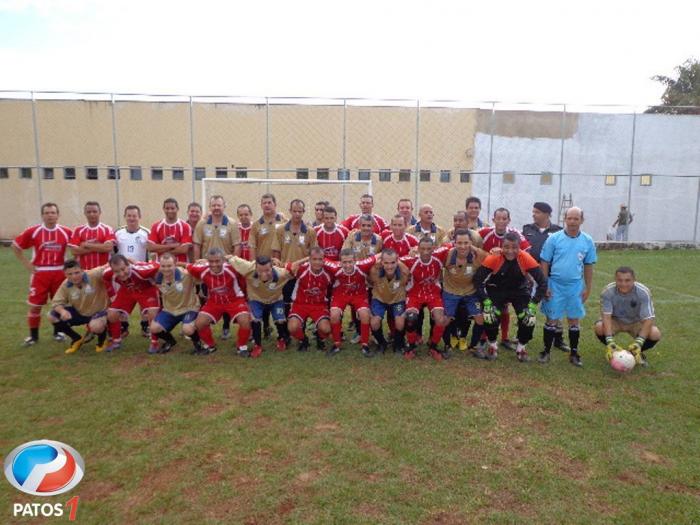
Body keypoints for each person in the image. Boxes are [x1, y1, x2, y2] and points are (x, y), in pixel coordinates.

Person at [472, 232, 548, 362]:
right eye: (506, 247)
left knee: (528, 317)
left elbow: (542, 282)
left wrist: (533, 303)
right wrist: (486, 300)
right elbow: (477, 281)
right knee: (490, 315)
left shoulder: (526, 257)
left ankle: (521, 347)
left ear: (519, 247)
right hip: (496, 289)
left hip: (519, 291)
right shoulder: (494, 258)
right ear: (502, 246)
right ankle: (492, 345)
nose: (510, 251)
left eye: (514, 247)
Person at [538, 207, 597, 367]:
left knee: (573, 319)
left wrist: (587, 287)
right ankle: (546, 351)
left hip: (575, 286)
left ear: (581, 220)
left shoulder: (587, 241)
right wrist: (545, 285)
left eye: (576, 219)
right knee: (552, 319)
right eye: (569, 218)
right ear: (565, 219)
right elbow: (545, 262)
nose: (572, 222)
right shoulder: (554, 239)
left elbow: (589, 265)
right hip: (555, 284)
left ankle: (574, 353)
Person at [12, 202, 73, 346]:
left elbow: (76, 247)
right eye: (47, 213)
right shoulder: (33, 231)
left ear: (58, 215)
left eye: (53, 212)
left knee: (58, 304)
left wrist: (71, 264)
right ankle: (33, 336)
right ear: (42, 215)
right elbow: (16, 246)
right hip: (40, 273)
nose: (50, 215)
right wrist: (27, 264)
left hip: (59, 272)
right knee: (35, 305)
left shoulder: (66, 231)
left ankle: (58, 332)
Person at [226, 254, 301, 356]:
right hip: (256, 300)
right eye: (260, 270)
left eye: (267, 270)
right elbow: (230, 258)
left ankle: (281, 339)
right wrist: (205, 260)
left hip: (275, 300)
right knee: (255, 319)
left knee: (280, 320)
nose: (263, 274)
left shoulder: (281, 273)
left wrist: (298, 264)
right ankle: (257, 345)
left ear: (272, 267)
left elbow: (294, 269)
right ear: (255, 267)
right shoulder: (247, 267)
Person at [479, 207, 531, 351]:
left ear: (509, 220)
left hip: (512, 277)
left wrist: (502, 251)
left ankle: (504, 337)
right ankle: (485, 338)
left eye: (504, 218)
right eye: (498, 218)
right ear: (493, 220)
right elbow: (469, 239)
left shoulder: (515, 234)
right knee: (491, 309)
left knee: (505, 309)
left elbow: (527, 251)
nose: (501, 221)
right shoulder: (485, 233)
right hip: (492, 277)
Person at [187, 248, 252, 357]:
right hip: (214, 302)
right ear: (207, 261)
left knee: (245, 321)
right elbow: (186, 266)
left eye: (217, 261)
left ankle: (241, 347)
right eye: (211, 261)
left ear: (223, 260)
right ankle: (210, 345)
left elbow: (250, 268)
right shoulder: (202, 270)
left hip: (234, 300)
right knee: (199, 323)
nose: (214, 264)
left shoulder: (233, 268)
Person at [522, 201, 567, 351]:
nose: (534, 214)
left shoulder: (558, 231)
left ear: (547, 214)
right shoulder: (527, 229)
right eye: (533, 211)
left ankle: (558, 339)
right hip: (530, 275)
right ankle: (523, 335)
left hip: (551, 276)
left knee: (554, 307)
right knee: (527, 307)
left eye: (537, 212)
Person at [193, 195, 240, 339]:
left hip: (225, 268)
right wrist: (196, 262)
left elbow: (236, 246)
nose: (216, 208)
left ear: (224, 206)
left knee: (225, 296)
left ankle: (226, 326)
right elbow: (197, 245)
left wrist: (234, 263)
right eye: (213, 205)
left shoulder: (231, 223)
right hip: (208, 268)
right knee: (206, 297)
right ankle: (204, 327)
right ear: (210, 207)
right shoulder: (202, 224)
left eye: (219, 205)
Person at [594, 267, 661, 367]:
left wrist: (639, 342)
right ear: (615, 279)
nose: (623, 284)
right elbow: (606, 317)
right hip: (615, 320)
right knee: (599, 327)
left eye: (627, 280)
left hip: (635, 321)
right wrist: (609, 341)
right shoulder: (607, 291)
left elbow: (649, 319)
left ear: (634, 280)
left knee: (655, 333)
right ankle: (613, 351)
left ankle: (636, 352)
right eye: (620, 280)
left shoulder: (643, 292)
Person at [399, 237, 451, 361]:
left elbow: (452, 244)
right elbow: (395, 260)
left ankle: (433, 346)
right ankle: (411, 346)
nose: (426, 252)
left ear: (434, 248)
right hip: (414, 294)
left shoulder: (439, 255)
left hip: (433, 294)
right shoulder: (411, 260)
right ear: (418, 249)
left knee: (440, 319)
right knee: (411, 319)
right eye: (423, 249)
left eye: (429, 249)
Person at [325, 249, 380, 357]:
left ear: (355, 261)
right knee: (334, 315)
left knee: (364, 314)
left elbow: (378, 256)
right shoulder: (334, 267)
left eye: (350, 262)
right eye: (344, 262)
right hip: (340, 294)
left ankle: (365, 344)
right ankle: (336, 344)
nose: (347, 265)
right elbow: (320, 258)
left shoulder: (362, 265)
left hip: (359, 294)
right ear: (340, 262)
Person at [102, 254, 161, 353]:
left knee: (152, 313)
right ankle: (116, 340)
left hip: (146, 290)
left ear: (128, 265)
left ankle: (155, 342)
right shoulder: (108, 273)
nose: (121, 274)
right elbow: (105, 279)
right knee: (111, 314)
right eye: (116, 271)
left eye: (123, 269)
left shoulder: (141, 270)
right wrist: (112, 294)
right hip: (127, 291)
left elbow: (158, 266)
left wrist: (140, 263)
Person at [441, 229, 487, 356]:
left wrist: (476, 249)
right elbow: (430, 255)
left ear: (471, 243)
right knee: (445, 319)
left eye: (466, 243)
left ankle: (473, 346)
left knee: (480, 319)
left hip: (470, 292)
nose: (462, 246)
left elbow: (491, 258)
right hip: (450, 291)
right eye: (459, 243)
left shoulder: (477, 255)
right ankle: (447, 345)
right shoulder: (447, 254)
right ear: (454, 243)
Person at [48, 259, 109, 354]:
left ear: (83, 270)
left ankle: (102, 342)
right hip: (81, 313)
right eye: (70, 274)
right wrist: (62, 311)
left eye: (77, 272)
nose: (74, 276)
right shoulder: (65, 285)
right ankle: (76, 339)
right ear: (65, 274)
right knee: (52, 316)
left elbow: (110, 264)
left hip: (99, 312)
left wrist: (133, 262)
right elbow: (56, 303)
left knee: (96, 326)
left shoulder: (94, 274)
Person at [272, 199, 318, 322]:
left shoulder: (310, 231)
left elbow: (314, 253)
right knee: (285, 301)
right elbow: (276, 251)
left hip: (302, 273)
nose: (297, 214)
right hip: (286, 273)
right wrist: (278, 264)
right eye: (294, 211)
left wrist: (298, 264)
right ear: (290, 211)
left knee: (301, 302)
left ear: (303, 212)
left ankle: (301, 329)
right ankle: (285, 330)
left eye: (300, 211)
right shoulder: (280, 229)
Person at [149, 252, 202, 355]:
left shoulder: (187, 274)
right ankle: (170, 341)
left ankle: (198, 343)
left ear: (175, 264)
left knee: (187, 329)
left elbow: (202, 275)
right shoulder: (157, 277)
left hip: (189, 308)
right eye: (163, 266)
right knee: (154, 328)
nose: (166, 269)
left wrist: (202, 262)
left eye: (169, 266)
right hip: (170, 310)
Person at [286, 247, 333, 351]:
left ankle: (320, 339)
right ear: (309, 259)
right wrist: (305, 259)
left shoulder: (329, 272)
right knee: (292, 327)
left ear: (324, 260)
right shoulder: (301, 269)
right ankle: (303, 340)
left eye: (320, 259)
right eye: (314, 259)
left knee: (326, 329)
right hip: (300, 304)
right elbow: (290, 267)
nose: (317, 262)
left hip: (319, 305)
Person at [368, 249, 410, 354]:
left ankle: (398, 344)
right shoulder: (375, 271)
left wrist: (399, 261)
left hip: (397, 300)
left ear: (397, 261)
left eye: (393, 262)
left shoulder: (403, 272)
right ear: (381, 262)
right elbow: (370, 281)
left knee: (400, 322)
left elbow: (407, 272)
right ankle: (382, 343)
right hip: (380, 300)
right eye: (386, 263)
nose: (389, 266)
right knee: (374, 322)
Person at [68, 201, 115, 270]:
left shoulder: (107, 229)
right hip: (84, 271)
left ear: (100, 213)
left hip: (103, 271)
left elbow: (108, 248)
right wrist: (99, 247)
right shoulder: (78, 230)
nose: (92, 214)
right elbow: (74, 251)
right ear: (85, 213)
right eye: (89, 212)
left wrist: (86, 245)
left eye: (94, 211)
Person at [147, 198, 193, 263]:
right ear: (163, 209)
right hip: (160, 265)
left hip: (180, 265)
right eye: (167, 208)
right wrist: (172, 246)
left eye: (172, 208)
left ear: (177, 209)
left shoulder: (185, 226)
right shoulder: (156, 226)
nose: (170, 211)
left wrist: (160, 249)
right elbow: (151, 247)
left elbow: (184, 249)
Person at [249, 193, 285, 260]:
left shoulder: (284, 222)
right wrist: (253, 264)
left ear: (275, 205)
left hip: (281, 264)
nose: (266, 205)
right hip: (263, 264)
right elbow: (252, 247)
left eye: (269, 203)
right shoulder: (256, 225)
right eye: (264, 203)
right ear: (261, 206)